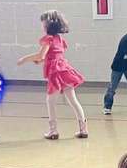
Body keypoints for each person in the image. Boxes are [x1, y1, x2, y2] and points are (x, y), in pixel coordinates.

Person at [18, 11, 87, 140]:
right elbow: (53, 56)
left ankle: (53, 131)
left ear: (48, 25)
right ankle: (83, 128)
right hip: (64, 70)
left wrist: (24, 59)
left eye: (43, 23)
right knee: (73, 101)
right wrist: (41, 61)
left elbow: (41, 55)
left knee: (50, 101)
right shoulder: (59, 39)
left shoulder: (48, 39)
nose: (42, 26)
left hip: (56, 72)